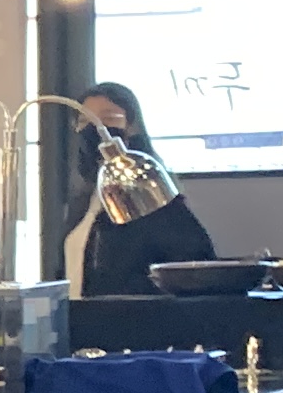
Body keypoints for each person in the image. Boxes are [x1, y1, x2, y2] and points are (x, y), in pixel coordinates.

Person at [60, 81, 216, 297]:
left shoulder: (151, 197)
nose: (95, 127)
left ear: (132, 126)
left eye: (107, 118)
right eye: (85, 120)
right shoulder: (84, 201)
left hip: (133, 314)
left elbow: (192, 265)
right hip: (81, 316)